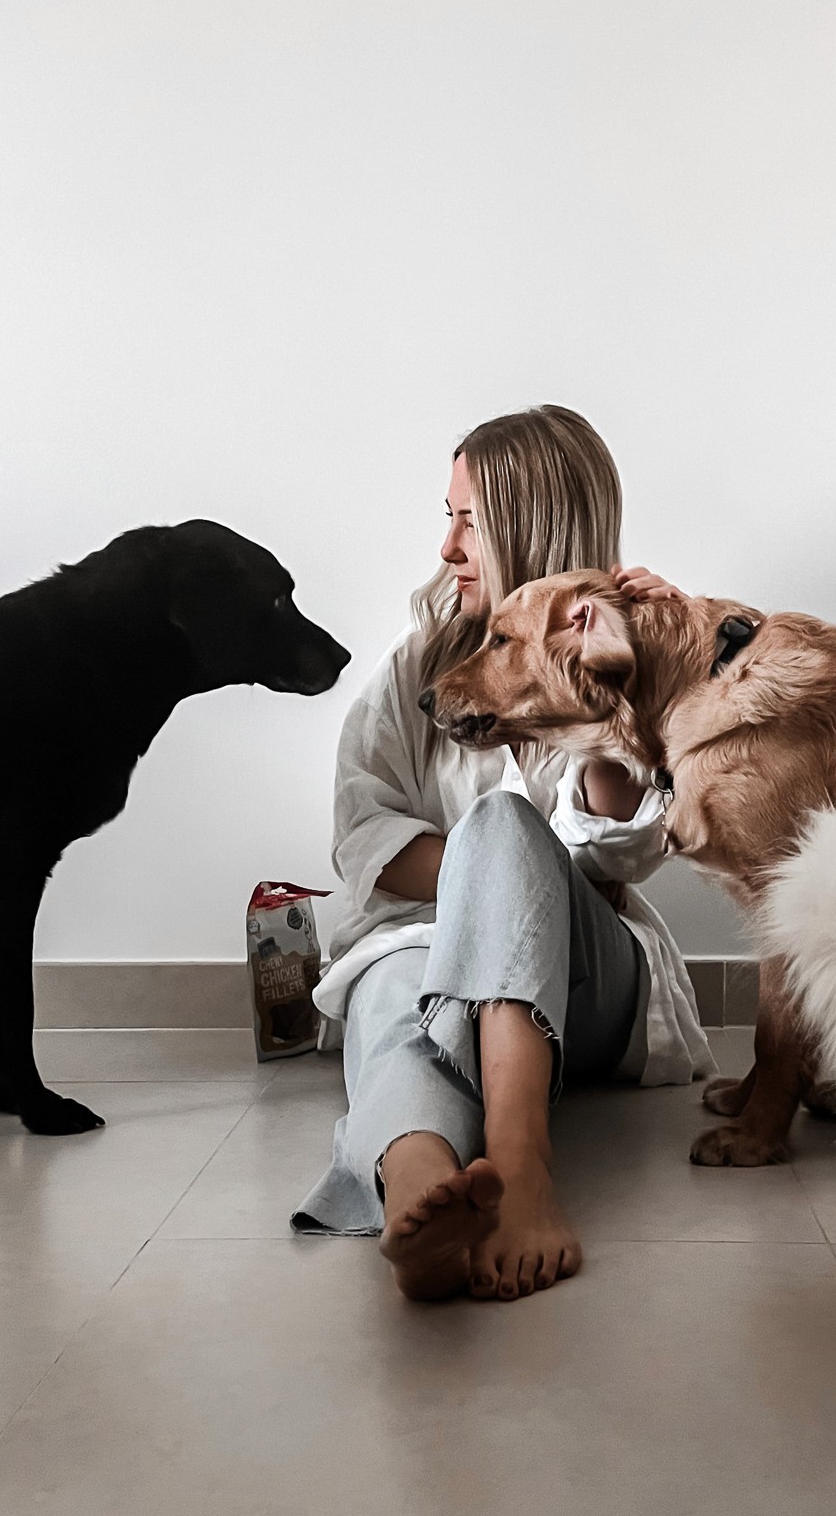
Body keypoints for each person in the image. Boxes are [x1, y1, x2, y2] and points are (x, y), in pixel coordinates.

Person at [291, 405, 714, 1300]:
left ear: (534, 524)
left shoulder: (616, 667)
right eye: (444, 518)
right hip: (421, 949)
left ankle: (520, 1168)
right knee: (394, 985)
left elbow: (623, 848)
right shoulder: (414, 674)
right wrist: (487, 900)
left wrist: (625, 679)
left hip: (587, 986)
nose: (446, 549)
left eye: (467, 521)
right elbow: (361, 831)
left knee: (497, 832)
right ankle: (415, 1184)